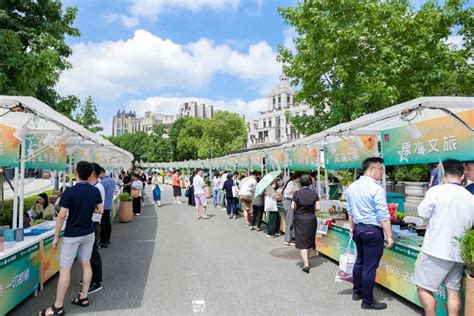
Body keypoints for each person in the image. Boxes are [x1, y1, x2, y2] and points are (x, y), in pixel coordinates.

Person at [39, 161, 103, 315]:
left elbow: (61, 217)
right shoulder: (95, 191)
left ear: (76, 172)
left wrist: (55, 237)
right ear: (90, 174)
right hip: (88, 233)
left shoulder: (70, 192)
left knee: (65, 269)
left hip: (73, 234)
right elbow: (100, 210)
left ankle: (57, 307)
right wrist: (87, 208)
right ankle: (84, 297)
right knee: (86, 264)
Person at [414, 159, 474, 316]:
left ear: (443, 173)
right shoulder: (470, 196)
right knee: (453, 292)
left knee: (423, 287)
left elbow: (422, 213)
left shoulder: (436, 191)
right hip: (458, 252)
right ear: (462, 176)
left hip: (435, 250)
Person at [346, 157, 393, 310]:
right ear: (371, 170)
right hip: (372, 231)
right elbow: (383, 215)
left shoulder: (352, 187)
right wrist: (389, 236)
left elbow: (350, 212)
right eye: (380, 169)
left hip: (358, 229)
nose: (382, 172)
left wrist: (352, 228)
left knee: (360, 261)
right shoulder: (376, 189)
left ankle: (357, 292)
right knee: (369, 267)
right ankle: (367, 301)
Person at [292, 174, 320, 273]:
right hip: (311, 219)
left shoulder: (296, 194)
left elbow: (293, 207)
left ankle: (306, 264)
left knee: (302, 242)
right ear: (310, 183)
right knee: (309, 241)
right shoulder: (314, 194)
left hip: (300, 219)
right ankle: (307, 260)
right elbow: (318, 208)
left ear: (300, 182)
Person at [88, 163, 105, 294]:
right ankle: (90, 277)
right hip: (90, 222)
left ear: (93, 173)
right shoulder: (93, 186)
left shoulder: (98, 187)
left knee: (93, 252)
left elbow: (99, 209)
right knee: (88, 253)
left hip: (94, 222)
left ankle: (96, 281)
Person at [99, 167, 116, 247]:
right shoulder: (112, 181)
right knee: (107, 222)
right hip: (109, 204)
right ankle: (108, 239)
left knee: (103, 223)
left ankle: (104, 240)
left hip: (102, 205)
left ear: (101, 173)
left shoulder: (102, 182)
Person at [283, 174, 301, 246]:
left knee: (291, 221)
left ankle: (289, 239)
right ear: (296, 178)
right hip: (289, 202)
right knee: (289, 221)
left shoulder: (295, 183)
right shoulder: (291, 183)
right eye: (299, 178)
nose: (299, 180)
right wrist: (295, 190)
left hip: (291, 202)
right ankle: (287, 240)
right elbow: (287, 191)